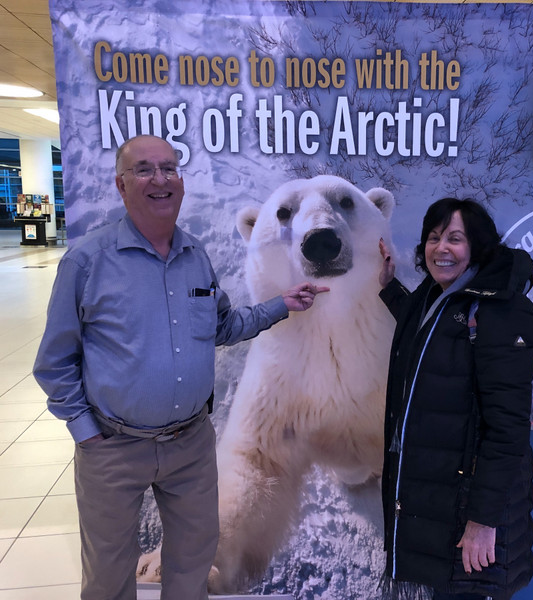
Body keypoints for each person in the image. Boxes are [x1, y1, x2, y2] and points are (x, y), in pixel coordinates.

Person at [32, 134, 329, 600]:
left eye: (169, 168)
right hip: (113, 446)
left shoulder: (195, 257)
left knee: (192, 567)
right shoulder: (87, 261)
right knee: (109, 577)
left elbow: (223, 327)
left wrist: (282, 305)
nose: (160, 179)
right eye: (145, 169)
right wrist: (85, 430)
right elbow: (54, 362)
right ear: (121, 184)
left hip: (189, 445)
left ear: (181, 181)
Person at [377, 198, 533, 600]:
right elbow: (429, 333)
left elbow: (507, 430)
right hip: (442, 502)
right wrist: (389, 287)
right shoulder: (441, 295)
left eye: (455, 238)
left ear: (478, 246)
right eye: (433, 238)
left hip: (471, 511)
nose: (441, 248)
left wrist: (483, 522)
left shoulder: (499, 312)